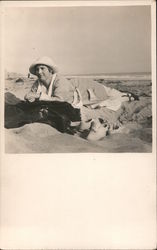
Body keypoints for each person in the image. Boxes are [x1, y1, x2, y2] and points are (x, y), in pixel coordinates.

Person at [25, 56, 139, 140]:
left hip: (86, 89)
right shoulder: (38, 83)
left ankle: (127, 95)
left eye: (42, 68)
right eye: (37, 69)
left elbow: (60, 100)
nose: (39, 72)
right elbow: (31, 96)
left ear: (50, 70)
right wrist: (30, 97)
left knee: (112, 95)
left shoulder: (59, 80)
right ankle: (124, 94)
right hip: (74, 87)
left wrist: (39, 96)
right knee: (111, 95)